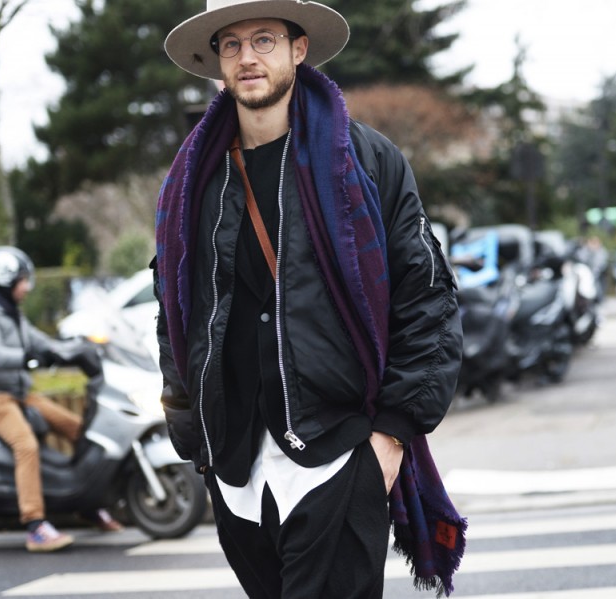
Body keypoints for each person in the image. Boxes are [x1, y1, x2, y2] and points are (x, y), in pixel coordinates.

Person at [153, 0, 466, 597]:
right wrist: (195, 438)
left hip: (337, 454)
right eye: (232, 45)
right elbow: (173, 311)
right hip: (237, 469)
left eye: (264, 40)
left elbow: (427, 298)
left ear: (299, 49)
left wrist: (392, 434)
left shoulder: (367, 160)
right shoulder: (192, 180)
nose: (247, 57)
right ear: (218, 62)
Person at [0, 246, 123, 553]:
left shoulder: (9, 312)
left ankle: (85, 502)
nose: (27, 287)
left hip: (19, 394)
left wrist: (74, 348)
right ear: (6, 280)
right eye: (23, 280)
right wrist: (28, 357)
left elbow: (42, 343)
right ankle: (35, 526)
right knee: (26, 446)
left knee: (78, 427)